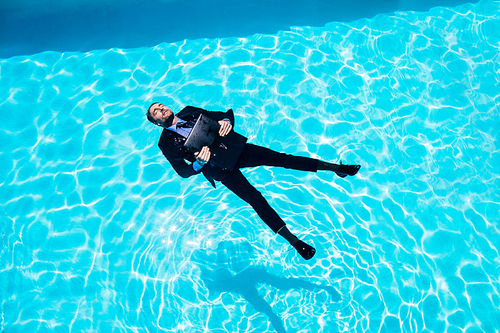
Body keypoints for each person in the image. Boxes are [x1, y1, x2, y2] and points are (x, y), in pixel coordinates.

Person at [146, 103, 361, 260]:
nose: (162, 109)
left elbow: (224, 114)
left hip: (235, 150)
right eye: (156, 111)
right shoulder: (165, 143)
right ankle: (295, 242)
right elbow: (183, 172)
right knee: (256, 199)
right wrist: (198, 163)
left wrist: (226, 122)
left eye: (161, 105)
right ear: (156, 122)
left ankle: (337, 168)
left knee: (282, 159)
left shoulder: (190, 111)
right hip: (219, 168)